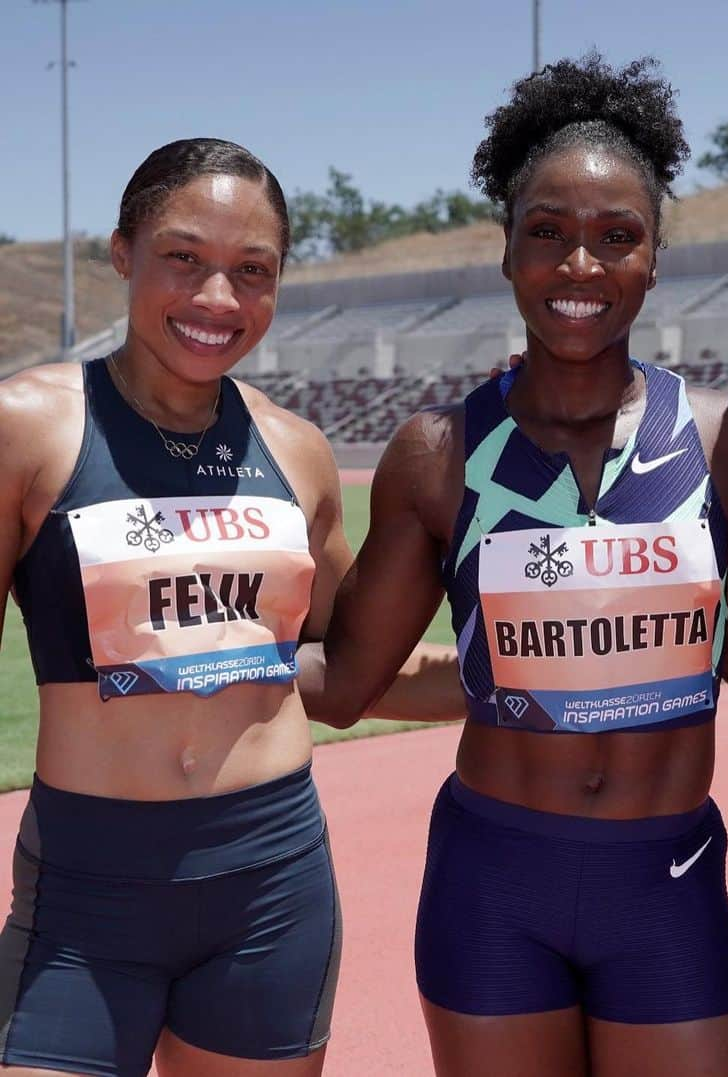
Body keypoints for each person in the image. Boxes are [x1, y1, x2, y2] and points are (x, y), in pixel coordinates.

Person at [302, 54, 728, 1077]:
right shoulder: (437, 455)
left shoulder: (723, 442)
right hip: (494, 885)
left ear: (655, 260)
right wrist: (207, 657)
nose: (581, 267)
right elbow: (346, 685)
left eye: (617, 238)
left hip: (664, 879)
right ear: (507, 251)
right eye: (549, 234)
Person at [0, 137, 453, 1077]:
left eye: (253, 271)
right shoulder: (29, 428)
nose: (218, 300)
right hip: (85, 896)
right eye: (184, 258)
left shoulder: (296, 450)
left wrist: (527, 673)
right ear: (122, 252)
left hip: (270, 887)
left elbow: (341, 674)